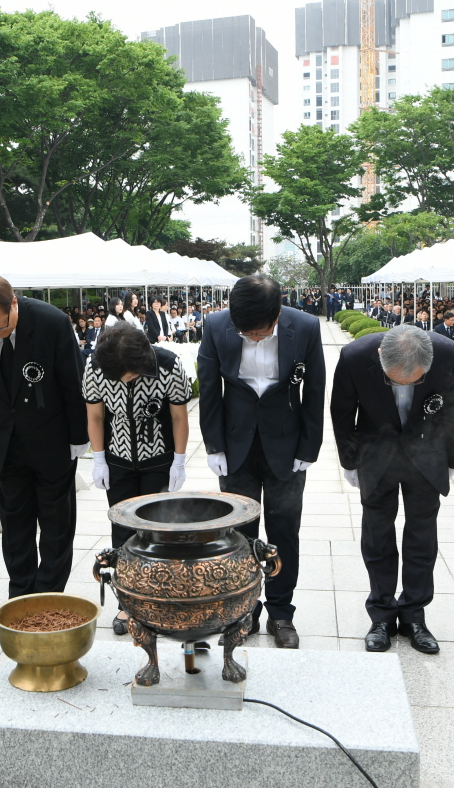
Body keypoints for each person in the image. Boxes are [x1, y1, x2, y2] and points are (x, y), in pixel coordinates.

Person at [197, 275, 325, 649]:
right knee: (239, 533)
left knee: (284, 530)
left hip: (286, 445)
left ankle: (281, 613)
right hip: (236, 445)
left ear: (276, 314)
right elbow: (209, 389)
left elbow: (315, 389)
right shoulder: (216, 326)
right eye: (245, 332)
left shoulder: (304, 327)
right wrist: (214, 446)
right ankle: (243, 612)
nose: (251, 338)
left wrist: (308, 449)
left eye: (258, 332)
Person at [331, 324, 454, 655]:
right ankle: (381, 614)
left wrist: (451, 460)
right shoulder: (355, 356)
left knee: (422, 536)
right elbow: (342, 411)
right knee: (377, 536)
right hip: (376, 453)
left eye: (415, 380)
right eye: (396, 380)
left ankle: (413, 616)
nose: (405, 385)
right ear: (380, 358)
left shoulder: (448, 353)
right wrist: (350, 462)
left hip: (427, 453)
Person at [0, 275, 89, 597]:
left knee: (56, 523)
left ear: (13, 302)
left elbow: (72, 381)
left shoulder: (51, 322)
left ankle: (49, 593)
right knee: (15, 522)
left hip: (52, 438)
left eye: (0, 326)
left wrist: (78, 436)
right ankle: (22, 593)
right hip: (5, 440)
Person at [84, 324, 192, 634]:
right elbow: (95, 415)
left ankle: (161, 598)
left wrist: (179, 461)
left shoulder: (168, 364)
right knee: (123, 533)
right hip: (117, 459)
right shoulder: (96, 365)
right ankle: (128, 603)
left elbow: (179, 416)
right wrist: (99, 458)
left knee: (158, 532)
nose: (123, 380)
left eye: (129, 375)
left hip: (158, 459)